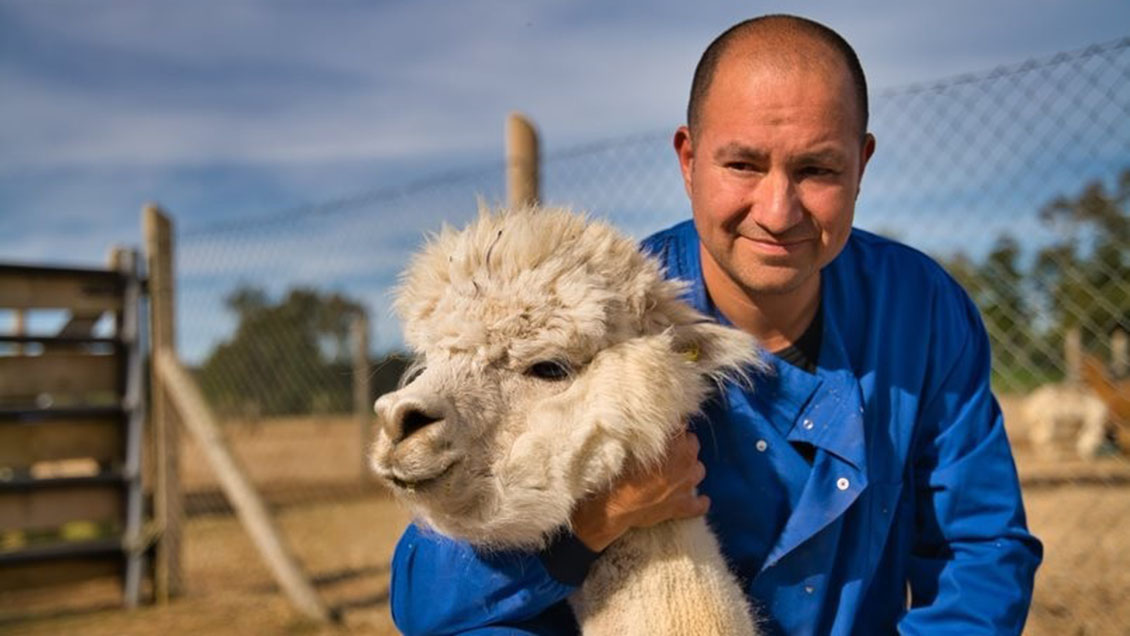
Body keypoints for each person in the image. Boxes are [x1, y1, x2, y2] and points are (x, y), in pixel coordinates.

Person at [389, 14, 1042, 635]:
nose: (778, 210)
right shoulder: (602, 317)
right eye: (744, 165)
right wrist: (599, 520)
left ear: (861, 165)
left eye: (817, 169)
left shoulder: (920, 311)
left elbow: (978, 548)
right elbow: (427, 599)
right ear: (688, 158)